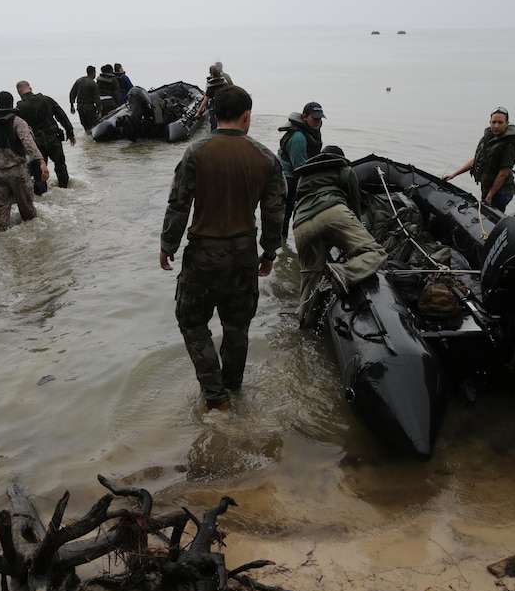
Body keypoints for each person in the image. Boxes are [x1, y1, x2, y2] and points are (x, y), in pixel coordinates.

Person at [160, 84, 286, 411]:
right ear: (247, 116)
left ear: (215, 115)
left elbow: (178, 204)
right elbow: (275, 213)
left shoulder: (196, 153)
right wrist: (269, 252)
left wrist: (167, 244)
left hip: (202, 254)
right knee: (237, 327)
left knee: (190, 320)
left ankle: (216, 396)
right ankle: (232, 388)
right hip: (244, 255)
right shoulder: (265, 158)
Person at [292, 146, 387, 327]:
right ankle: (342, 272)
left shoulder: (304, 176)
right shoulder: (345, 170)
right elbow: (355, 205)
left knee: (310, 278)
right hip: (333, 213)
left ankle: (303, 326)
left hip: (301, 224)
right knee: (375, 252)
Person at [0, 91, 49, 232]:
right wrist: (41, 162)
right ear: (12, 104)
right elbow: (28, 143)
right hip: (16, 172)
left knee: (0, 211)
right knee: (27, 210)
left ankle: (2, 233)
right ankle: (34, 235)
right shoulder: (17, 121)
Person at [442, 107, 515, 212]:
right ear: (490, 122)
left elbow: (503, 174)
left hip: (501, 191)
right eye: (494, 122)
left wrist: (490, 195)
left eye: (500, 122)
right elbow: (476, 160)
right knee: (485, 213)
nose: (496, 126)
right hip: (488, 187)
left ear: (507, 123)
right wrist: (454, 174)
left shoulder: (508, 145)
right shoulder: (489, 139)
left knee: (493, 218)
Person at [16, 81, 76, 193]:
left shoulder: (20, 108)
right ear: (30, 88)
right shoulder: (46, 99)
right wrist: (70, 133)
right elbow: (61, 116)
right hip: (53, 139)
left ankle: (42, 196)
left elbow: (18, 129)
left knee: (39, 174)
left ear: (19, 93)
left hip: (36, 144)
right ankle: (65, 189)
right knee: (61, 166)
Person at [277, 101, 325, 239]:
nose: (318, 122)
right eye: (314, 118)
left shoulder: (313, 131)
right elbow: (300, 167)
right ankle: (282, 243)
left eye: (320, 119)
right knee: (286, 213)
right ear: (305, 117)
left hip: (296, 172)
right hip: (287, 176)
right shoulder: (298, 137)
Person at [69, 65, 102, 132]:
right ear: (94, 72)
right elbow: (97, 99)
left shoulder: (79, 81)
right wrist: (99, 111)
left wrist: (72, 105)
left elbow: (72, 93)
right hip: (89, 107)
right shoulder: (93, 84)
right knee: (93, 126)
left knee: (85, 127)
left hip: (80, 107)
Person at [196, 65, 228, 131]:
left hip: (214, 106)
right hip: (224, 105)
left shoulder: (211, 87)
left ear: (211, 74)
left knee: (213, 125)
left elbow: (205, 100)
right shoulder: (224, 84)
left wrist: (198, 112)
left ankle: (214, 136)